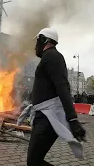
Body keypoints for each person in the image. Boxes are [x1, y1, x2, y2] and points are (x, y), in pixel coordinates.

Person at [20, 28, 86, 166]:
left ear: (44, 40)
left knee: (33, 162)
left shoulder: (52, 56)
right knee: (34, 161)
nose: (35, 46)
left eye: (37, 41)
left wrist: (72, 119)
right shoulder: (48, 57)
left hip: (47, 118)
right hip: (44, 116)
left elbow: (62, 87)